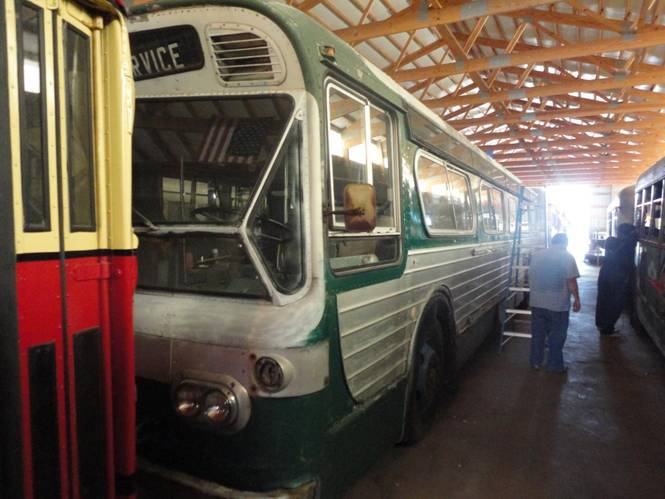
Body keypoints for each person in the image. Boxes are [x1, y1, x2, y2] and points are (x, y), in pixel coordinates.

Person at [528, 233, 581, 373]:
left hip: (537, 303)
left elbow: (531, 276)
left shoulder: (536, 256)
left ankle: (535, 362)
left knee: (538, 335)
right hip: (557, 305)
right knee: (557, 336)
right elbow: (571, 281)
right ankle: (554, 365)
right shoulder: (567, 257)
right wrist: (577, 299)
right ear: (565, 243)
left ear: (552, 242)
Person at [595, 223, 638, 335]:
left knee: (603, 300)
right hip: (617, 278)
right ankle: (607, 327)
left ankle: (601, 324)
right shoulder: (625, 245)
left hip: (605, 275)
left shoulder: (611, 241)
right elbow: (629, 244)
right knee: (615, 303)